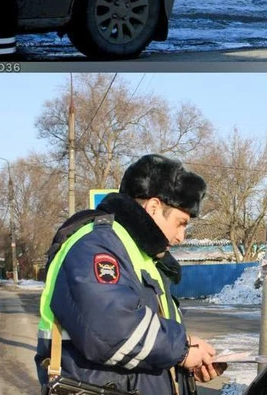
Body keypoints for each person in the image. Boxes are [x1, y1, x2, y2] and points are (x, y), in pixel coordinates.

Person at [35, 154, 225, 394]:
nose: (181, 237)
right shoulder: (96, 244)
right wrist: (182, 350)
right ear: (154, 207)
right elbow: (110, 330)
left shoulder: (139, 254)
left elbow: (146, 339)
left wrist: (186, 359)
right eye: (181, 223)